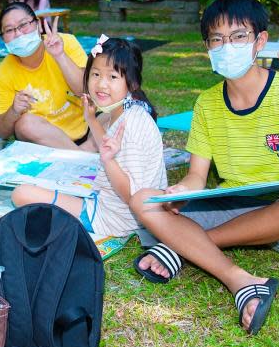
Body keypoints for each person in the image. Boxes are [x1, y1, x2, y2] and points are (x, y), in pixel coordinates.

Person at [130, 0, 279, 335]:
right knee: (143, 201)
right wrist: (180, 190)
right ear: (208, 47)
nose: (227, 45)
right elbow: (198, 175)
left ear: (260, 40)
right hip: (232, 202)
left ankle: (184, 248)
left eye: (238, 36)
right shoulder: (208, 103)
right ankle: (240, 281)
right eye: (217, 38)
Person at [12, 37, 165, 237]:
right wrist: (91, 119)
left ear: (132, 83)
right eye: (95, 74)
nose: (101, 84)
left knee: (21, 194)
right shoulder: (124, 111)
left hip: (115, 219)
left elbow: (132, 196)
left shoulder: (133, 124)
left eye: (112, 77)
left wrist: (108, 161)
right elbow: (107, 146)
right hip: (108, 205)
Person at [0, 2, 91, 149]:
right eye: (9, 30)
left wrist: (60, 55)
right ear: (3, 39)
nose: (18, 34)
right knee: (24, 124)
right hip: (42, 143)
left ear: (37, 25)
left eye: (23, 24)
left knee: (120, 110)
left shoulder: (66, 43)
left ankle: (79, 153)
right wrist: (14, 110)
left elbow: (85, 91)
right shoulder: (3, 73)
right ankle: (83, 154)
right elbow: (2, 132)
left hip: (85, 130)